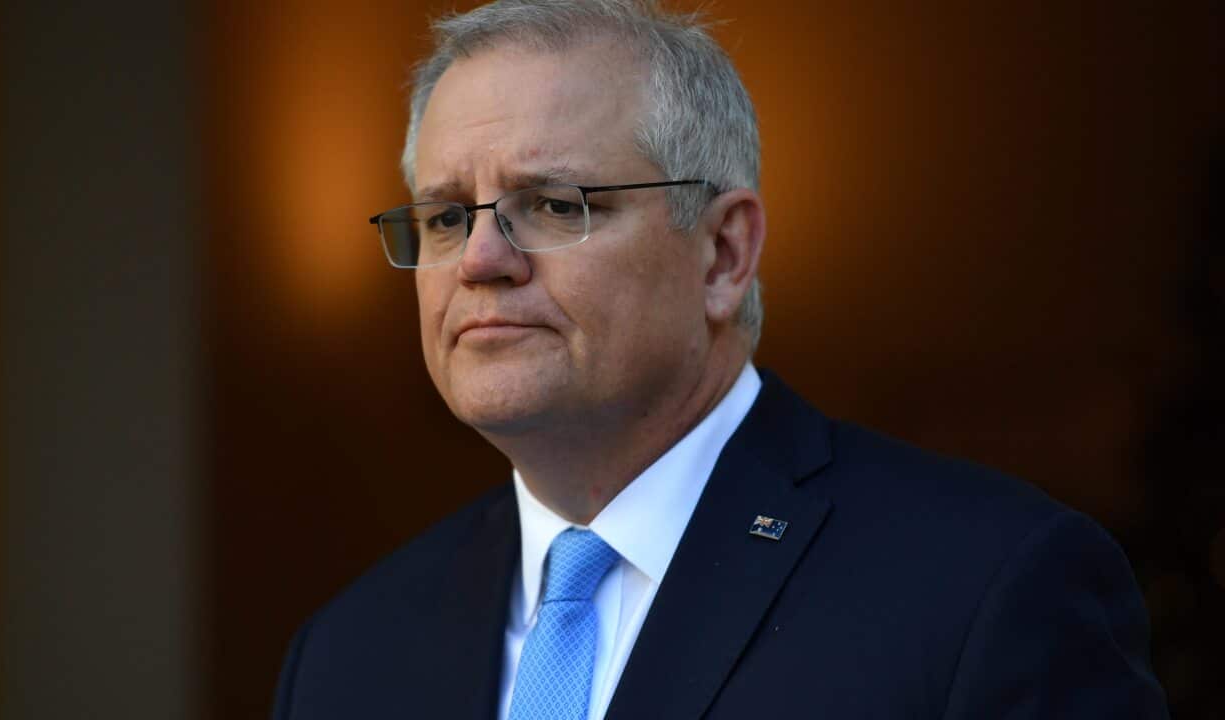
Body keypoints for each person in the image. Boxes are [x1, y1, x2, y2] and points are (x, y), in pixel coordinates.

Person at [272, 1, 1168, 718]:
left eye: (553, 204)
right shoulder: (349, 654)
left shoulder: (986, 589)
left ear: (723, 254)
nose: (479, 260)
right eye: (443, 217)